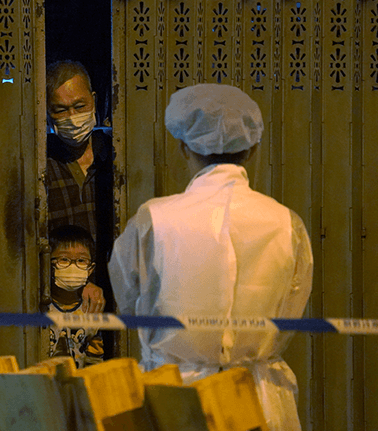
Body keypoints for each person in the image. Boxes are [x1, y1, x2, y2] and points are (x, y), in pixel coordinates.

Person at [108, 83, 313, 431]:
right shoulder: (286, 223)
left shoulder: (154, 219)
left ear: (184, 146)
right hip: (259, 399)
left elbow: (127, 298)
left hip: (173, 397)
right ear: (252, 148)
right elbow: (293, 308)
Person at [46, 60, 114, 316]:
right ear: (47, 112)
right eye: (61, 110)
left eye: (79, 106)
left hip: (117, 296)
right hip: (60, 302)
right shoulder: (41, 162)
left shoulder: (117, 155)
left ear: (94, 100)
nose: (73, 118)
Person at [47, 225, 104, 368]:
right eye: (64, 259)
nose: (73, 266)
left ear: (90, 269)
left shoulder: (91, 310)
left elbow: (95, 357)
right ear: (49, 264)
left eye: (81, 260)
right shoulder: (39, 305)